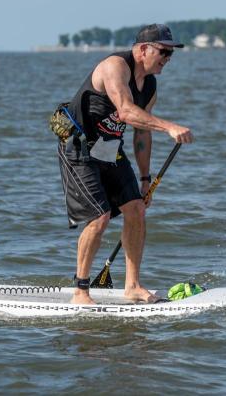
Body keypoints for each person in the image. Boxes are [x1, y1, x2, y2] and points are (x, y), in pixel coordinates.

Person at [56, 24, 193, 304]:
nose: (167, 59)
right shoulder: (114, 67)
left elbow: (141, 134)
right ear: (144, 49)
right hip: (80, 149)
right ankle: (81, 291)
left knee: (136, 209)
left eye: (171, 55)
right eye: (164, 52)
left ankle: (133, 286)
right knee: (100, 217)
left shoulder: (150, 86)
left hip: (110, 151)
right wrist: (169, 127)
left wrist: (145, 179)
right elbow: (128, 113)